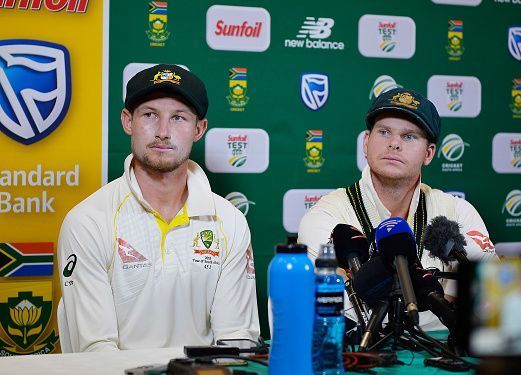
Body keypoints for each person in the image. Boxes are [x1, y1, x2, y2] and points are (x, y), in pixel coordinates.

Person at [57, 64, 259, 352]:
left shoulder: (230, 222)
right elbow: (95, 353)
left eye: (178, 118)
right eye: (149, 115)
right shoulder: (88, 221)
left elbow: (236, 343)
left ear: (199, 128)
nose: (163, 132)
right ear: (128, 121)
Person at [298, 87, 498, 330]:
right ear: (366, 142)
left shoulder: (457, 212)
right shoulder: (327, 216)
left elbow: (491, 299)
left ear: (429, 153)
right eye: (384, 132)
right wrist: (444, 304)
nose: (394, 144)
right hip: (361, 362)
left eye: (409, 136)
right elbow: (337, 316)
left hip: (441, 359)